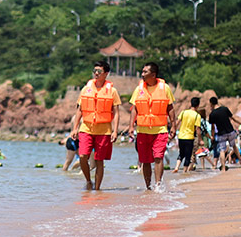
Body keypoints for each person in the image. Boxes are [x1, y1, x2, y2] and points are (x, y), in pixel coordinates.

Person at [70, 60, 121, 190]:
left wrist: (115, 131)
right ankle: (88, 180)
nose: (96, 74)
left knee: (99, 161)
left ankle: (97, 189)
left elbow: (116, 113)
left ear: (106, 74)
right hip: (86, 128)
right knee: (82, 156)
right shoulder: (85, 89)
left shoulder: (112, 91)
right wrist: (75, 128)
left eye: (99, 71)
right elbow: (79, 110)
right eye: (94, 71)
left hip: (104, 131)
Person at [128, 61, 176, 192]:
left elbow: (170, 108)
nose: (142, 74)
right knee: (145, 160)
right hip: (142, 130)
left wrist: (173, 126)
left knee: (158, 157)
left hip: (160, 129)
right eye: (142, 72)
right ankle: (148, 187)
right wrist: (131, 126)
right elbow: (135, 109)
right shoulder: (139, 89)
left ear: (153, 75)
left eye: (145, 72)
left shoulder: (164, 88)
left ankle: (158, 185)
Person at [208, 96, 241, 172]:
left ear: (211, 104)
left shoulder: (212, 114)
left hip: (221, 134)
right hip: (230, 131)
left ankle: (223, 168)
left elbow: (212, 127)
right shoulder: (225, 109)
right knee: (234, 146)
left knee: (222, 150)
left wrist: (212, 136)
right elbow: (233, 118)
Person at [173, 97, 201, 173]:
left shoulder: (183, 112)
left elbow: (177, 123)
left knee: (181, 153)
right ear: (198, 105)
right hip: (189, 138)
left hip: (181, 136)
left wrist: (173, 131)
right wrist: (200, 140)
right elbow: (197, 128)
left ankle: (176, 167)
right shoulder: (197, 116)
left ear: (190, 104)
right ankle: (184, 171)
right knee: (188, 156)